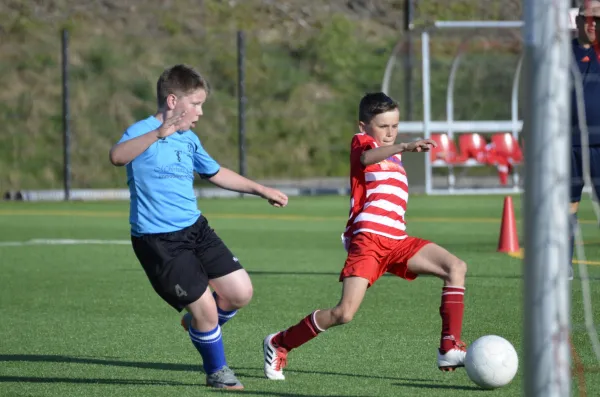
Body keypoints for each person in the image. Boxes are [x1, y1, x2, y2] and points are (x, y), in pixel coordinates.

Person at [262, 92, 468, 380]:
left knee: (455, 267)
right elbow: (367, 157)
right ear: (364, 126)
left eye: (395, 126)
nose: (390, 132)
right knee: (343, 314)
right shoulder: (363, 144)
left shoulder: (394, 153)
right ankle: (279, 342)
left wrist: (400, 148)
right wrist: (405, 145)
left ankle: (449, 346)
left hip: (398, 241)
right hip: (368, 241)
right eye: (383, 126)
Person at [109, 64, 288, 390]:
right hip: (158, 240)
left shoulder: (189, 139)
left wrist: (260, 189)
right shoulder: (142, 130)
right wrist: (157, 135)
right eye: (197, 103)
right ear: (173, 101)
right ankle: (217, 372)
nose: (201, 112)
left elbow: (215, 172)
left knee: (240, 293)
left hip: (195, 229)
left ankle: (199, 326)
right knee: (206, 309)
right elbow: (118, 157)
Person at [570, 1, 600, 281]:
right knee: (567, 205)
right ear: (577, 21)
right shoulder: (560, 54)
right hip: (568, 144)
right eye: (586, 18)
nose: (592, 23)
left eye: (597, 18)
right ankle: (562, 264)